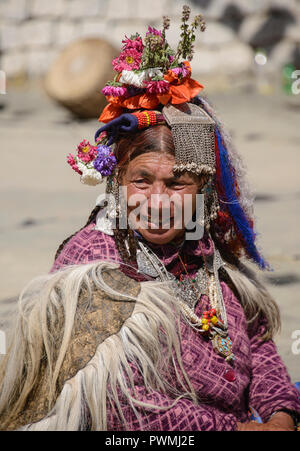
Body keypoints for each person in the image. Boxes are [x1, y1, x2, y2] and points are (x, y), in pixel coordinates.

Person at [0, 7, 299, 431]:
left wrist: (280, 413)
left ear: (204, 193)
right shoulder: (93, 261)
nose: (157, 202)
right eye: (142, 181)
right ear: (118, 181)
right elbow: (119, 403)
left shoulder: (201, 248)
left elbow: (256, 338)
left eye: (177, 184)